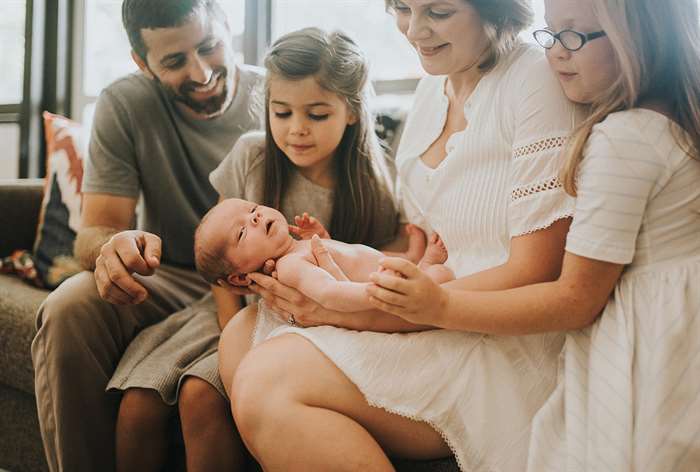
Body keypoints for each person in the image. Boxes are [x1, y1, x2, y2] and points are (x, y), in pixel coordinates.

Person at [217, 1, 583, 471]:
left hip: (492, 334)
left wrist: (357, 312)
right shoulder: (434, 87)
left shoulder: (535, 80)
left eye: (440, 11)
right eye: (404, 8)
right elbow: (421, 239)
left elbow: (535, 271)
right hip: (424, 299)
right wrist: (323, 260)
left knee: (265, 383)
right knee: (240, 337)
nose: (415, 30)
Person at [369, 0, 700, 470]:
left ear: (640, 41)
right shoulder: (671, 121)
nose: (555, 54)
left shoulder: (624, 141)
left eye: (574, 36)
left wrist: (439, 305)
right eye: (550, 33)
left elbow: (575, 299)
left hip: (648, 345)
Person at [106, 26, 405, 472]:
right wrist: (231, 331)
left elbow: (372, 261)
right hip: (233, 309)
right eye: (281, 113)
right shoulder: (252, 156)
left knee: (200, 395)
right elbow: (220, 256)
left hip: (309, 326)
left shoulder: (369, 182)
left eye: (317, 115)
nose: (297, 130)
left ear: (352, 112)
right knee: (139, 403)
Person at [30, 1, 264, 471]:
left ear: (228, 27)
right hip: (170, 274)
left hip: (258, 282)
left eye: (209, 47)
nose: (200, 73)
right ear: (143, 63)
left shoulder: (280, 97)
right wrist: (110, 248)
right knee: (67, 308)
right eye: (174, 62)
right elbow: (95, 229)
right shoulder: (125, 103)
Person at [194, 198, 452, 313]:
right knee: (443, 275)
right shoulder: (289, 268)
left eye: (252, 208)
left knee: (360, 253)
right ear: (239, 278)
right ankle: (425, 268)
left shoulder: (298, 249)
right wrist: (375, 292)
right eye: (241, 232)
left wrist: (322, 238)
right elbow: (330, 293)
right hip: (380, 289)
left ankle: (411, 258)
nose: (255, 217)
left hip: (379, 270)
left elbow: (339, 264)